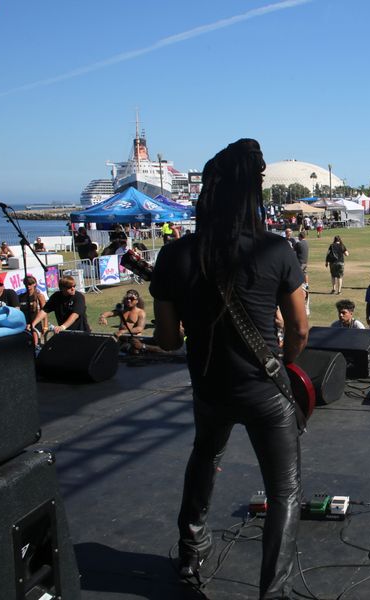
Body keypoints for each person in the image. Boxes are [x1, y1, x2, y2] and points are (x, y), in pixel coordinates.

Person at [148, 138, 308, 596]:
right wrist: (282, 365)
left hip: (209, 388)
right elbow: (299, 330)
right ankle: (272, 591)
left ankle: (190, 554)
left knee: (204, 461)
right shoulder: (276, 250)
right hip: (265, 391)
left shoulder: (175, 254)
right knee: (284, 492)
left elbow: (167, 340)